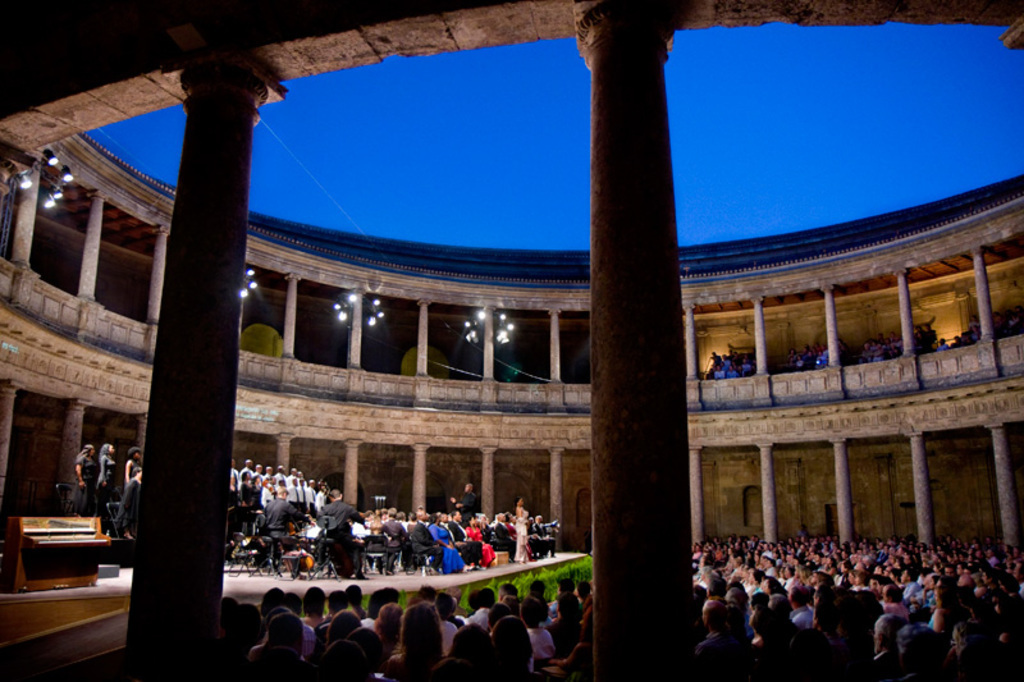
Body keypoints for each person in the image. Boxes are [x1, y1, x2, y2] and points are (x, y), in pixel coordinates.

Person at [321, 489, 367, 579]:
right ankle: (358, 573)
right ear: (341, 496)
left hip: (329, 536)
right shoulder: (347, 508)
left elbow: (320, 518)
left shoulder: (326, 508)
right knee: (356, 547)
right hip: (342, 536)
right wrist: (364, 523)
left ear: (331, 498)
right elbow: (359, 518)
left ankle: (320, 567)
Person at [72, 444, 98, 516]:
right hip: (84, 480)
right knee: (82, 498)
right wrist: (81, 480)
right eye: (92, 450)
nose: (93, 451)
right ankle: (79, 512)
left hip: (90, 481)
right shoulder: (82, 459)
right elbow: (78, 470)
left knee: (89, 498)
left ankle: (88, 513)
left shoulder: (91, 459)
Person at [96, 443, 117, 520]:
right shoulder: (104, 458)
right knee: (102, 498)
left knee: (107, 498)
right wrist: (103, 480)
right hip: (105, 480)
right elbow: (102, 469)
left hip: (110, 480)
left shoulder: (110, 458)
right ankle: (100, 515)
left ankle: (105, 514)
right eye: (112, 448)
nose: (113, 450)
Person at [513, 497, 529, 563]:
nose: (522, 502)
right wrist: (526, 522)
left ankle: (524, 557)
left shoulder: (522, 509)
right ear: (517, 503)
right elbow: (520, 519)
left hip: (523, 526)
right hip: (521, 526)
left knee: (524, 542)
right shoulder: (518, 509)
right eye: (521, 501)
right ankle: (520, 558)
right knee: (521, 542)